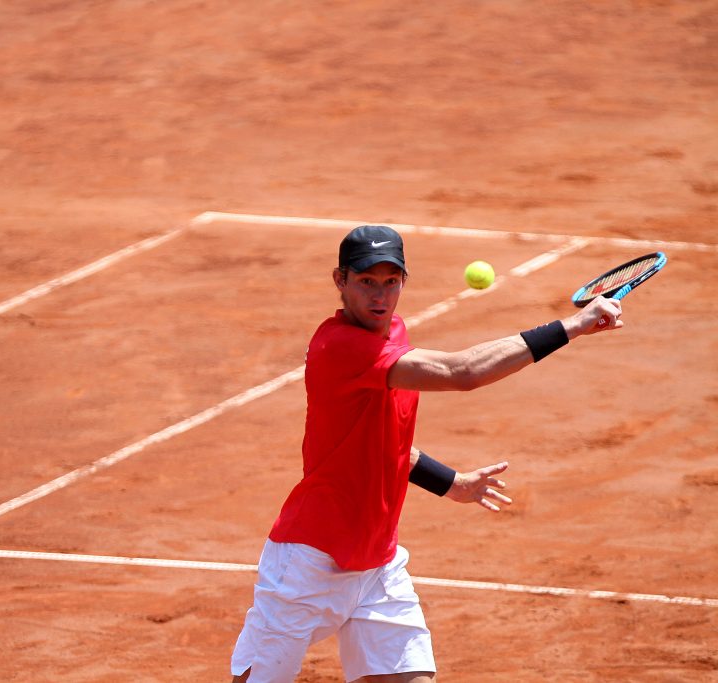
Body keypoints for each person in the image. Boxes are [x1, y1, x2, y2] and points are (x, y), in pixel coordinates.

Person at [230, 225, 623, 683]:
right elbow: (463, 372)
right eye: (366, 282)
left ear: (404, 280)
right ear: (339, 280)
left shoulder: (392, 332)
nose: (380, 296)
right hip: (309, 561)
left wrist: (450, 482)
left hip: (377, 560)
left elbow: (384, 440)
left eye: (390, 282)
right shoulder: (341, 347)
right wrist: (573, 326)